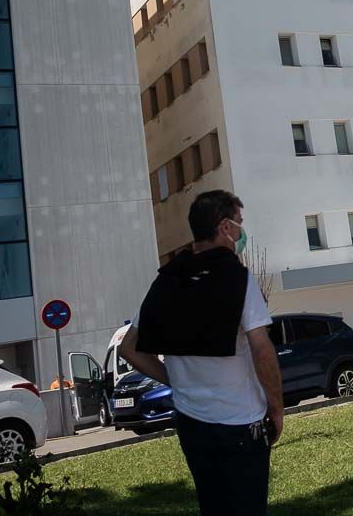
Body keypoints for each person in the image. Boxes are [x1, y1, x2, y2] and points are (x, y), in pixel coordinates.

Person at [121, 190, 283, 516]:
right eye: (239, 224)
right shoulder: (237, 277)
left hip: (192, 424)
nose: (241, 232)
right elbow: (261, 349)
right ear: (224, 227)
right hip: (240, 424)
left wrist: (175, 381)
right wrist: (276, 408)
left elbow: (129, 348)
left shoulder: (167, 281)